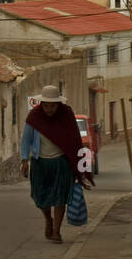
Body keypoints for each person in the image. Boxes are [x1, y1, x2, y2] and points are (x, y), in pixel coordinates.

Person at [20, 85, 94, 242]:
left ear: (58, 104)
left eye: (53, 105)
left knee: (60, 198)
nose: (49, 109)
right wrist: (24, 159)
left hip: (61, 163)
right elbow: (26, 139)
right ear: (42, 104)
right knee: (40, 198)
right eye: (46, 105)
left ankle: (56, 231)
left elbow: (75, 140)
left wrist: (78, 164)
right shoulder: (35, 117)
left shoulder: (66, 115)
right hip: (40, 163)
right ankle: (48, 219)